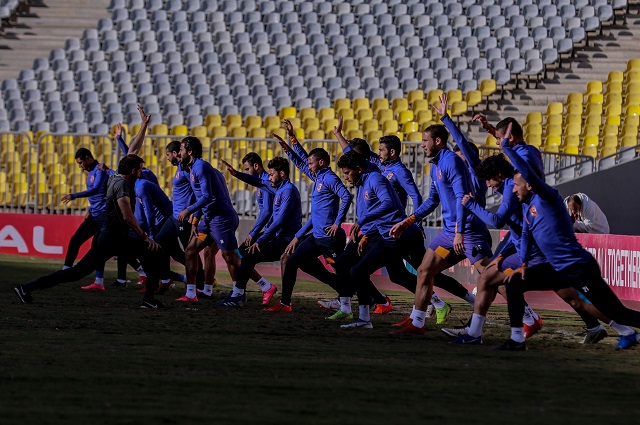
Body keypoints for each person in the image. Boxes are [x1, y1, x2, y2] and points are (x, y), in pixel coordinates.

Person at [499, 123, 640, 350]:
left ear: (530, 184)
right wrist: (523, 263)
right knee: (514, 282)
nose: (513, 190)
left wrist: (507, 149)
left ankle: (627, 332)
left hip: (578, 268)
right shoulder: (527, 208)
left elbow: (529, 174)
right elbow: (525, 235)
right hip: (559, 270)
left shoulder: (547, 198)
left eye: (516, 185)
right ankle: (516, 340)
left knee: (619, 313)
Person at [14, 154, 166, 309]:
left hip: (107, 236)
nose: (140, 174)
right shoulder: (122, 185)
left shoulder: (115, 179)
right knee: (155, 251)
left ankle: (27, 288)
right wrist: (145, 236)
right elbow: (127, 216)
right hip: (114, 237)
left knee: (77, 273)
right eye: (139, 170)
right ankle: (149, 299)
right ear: (132, 170)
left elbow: (127, 159)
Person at [390, 115, 493, 335]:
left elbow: (461, 199)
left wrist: (460, 231)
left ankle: (527, 316)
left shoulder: (467, 169)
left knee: (492, 277)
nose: (421, 144)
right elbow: (432, 200)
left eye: (424, 140)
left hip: (469, 232)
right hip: (449, 233)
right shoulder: (438, 166)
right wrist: (408, 221)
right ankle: (417, 322)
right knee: (424, 270)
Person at [333, 151, 427, 329]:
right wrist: (366, 234)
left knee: (427, 274)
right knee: (362, 272)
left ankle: (443, 303)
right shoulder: (362, 182)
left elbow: (389, 203)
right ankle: (364, 319)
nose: (345, 177)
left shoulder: (375, 179)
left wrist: (362, 221)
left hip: (404, 236)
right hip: (388, 238)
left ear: (359, 169)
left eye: (347, 173)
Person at [267, 132, 353, 312]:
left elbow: (346, 196)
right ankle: (285, 303)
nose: (309, 166)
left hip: (329, 239)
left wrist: (338, 222)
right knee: (291, 260)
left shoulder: (329, 178)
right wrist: (290, 145)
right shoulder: (318, 177)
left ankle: (371, 298)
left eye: (312, 163)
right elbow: (301, 163)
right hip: (316, 236)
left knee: (343, 270)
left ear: (321, 162)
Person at [219, 156, 302, 306]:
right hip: (277, 237)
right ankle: (240, 292)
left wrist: (260, 238)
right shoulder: (278, 187)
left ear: (282, 174)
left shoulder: (288, 191)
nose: (269, 177)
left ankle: (241, 293)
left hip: (287, 240)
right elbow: (257, 182)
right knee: (244, 253)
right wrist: (236, 174)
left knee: (249, 254)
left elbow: (279, 221)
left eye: (271, 174)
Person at [176, 137, 240, 303]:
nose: (179, 153)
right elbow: (202, 197)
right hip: (209, 220)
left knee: (230, 256)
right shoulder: (196, 168)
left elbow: (207, 196)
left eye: (181, 150)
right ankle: (192, 293)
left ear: (190, 151)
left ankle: (262, 286)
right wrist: (196, 220)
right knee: (191, 250)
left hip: (220, 219)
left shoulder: (201, 167)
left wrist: (188, 210)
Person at [219, 153, 276, 302]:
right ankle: (240, 291)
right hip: (266, 230)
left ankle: (260, 288)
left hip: (271, 232)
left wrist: (253, 233)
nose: (246, 172)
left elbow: (267, 211)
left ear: (256, 166)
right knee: (234, 255)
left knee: (238, 256)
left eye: (247, 169)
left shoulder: (265, 182)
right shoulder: (260, 182)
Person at [60, 147, 109, 290]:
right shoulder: (91, 172)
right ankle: (65, 270)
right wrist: (89, 210)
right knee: (75, 240)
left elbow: (96, 190)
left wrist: (73, 195)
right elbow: (96, 197)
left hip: (103, 216)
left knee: (99, 247)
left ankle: (99, 281)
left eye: (81, 163)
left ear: (88, 158)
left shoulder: (100, 170)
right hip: (94, 215)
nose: (80, 166)